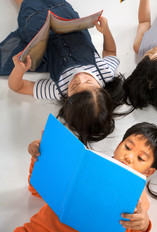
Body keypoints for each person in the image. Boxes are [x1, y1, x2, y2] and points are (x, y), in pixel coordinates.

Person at [5, 122, 157, 232]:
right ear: (118, 145)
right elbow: (36, 190)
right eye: (127, 147)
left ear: (149, 171)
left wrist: (143, 226)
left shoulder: (138, 199)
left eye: (140, 158)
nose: (129, 157)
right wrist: (40, 157)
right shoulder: (85, 164)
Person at [0, 0, 125, 145]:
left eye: (74, 87)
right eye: (89, 82)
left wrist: (19, 70)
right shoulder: (105, 73)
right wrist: (106, 32)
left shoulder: (58, 90)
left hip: (37, 26)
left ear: (67, 100)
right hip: (66, 16)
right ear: (103, 90)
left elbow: (17, 87)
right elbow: (110, 52)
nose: (80, 78)